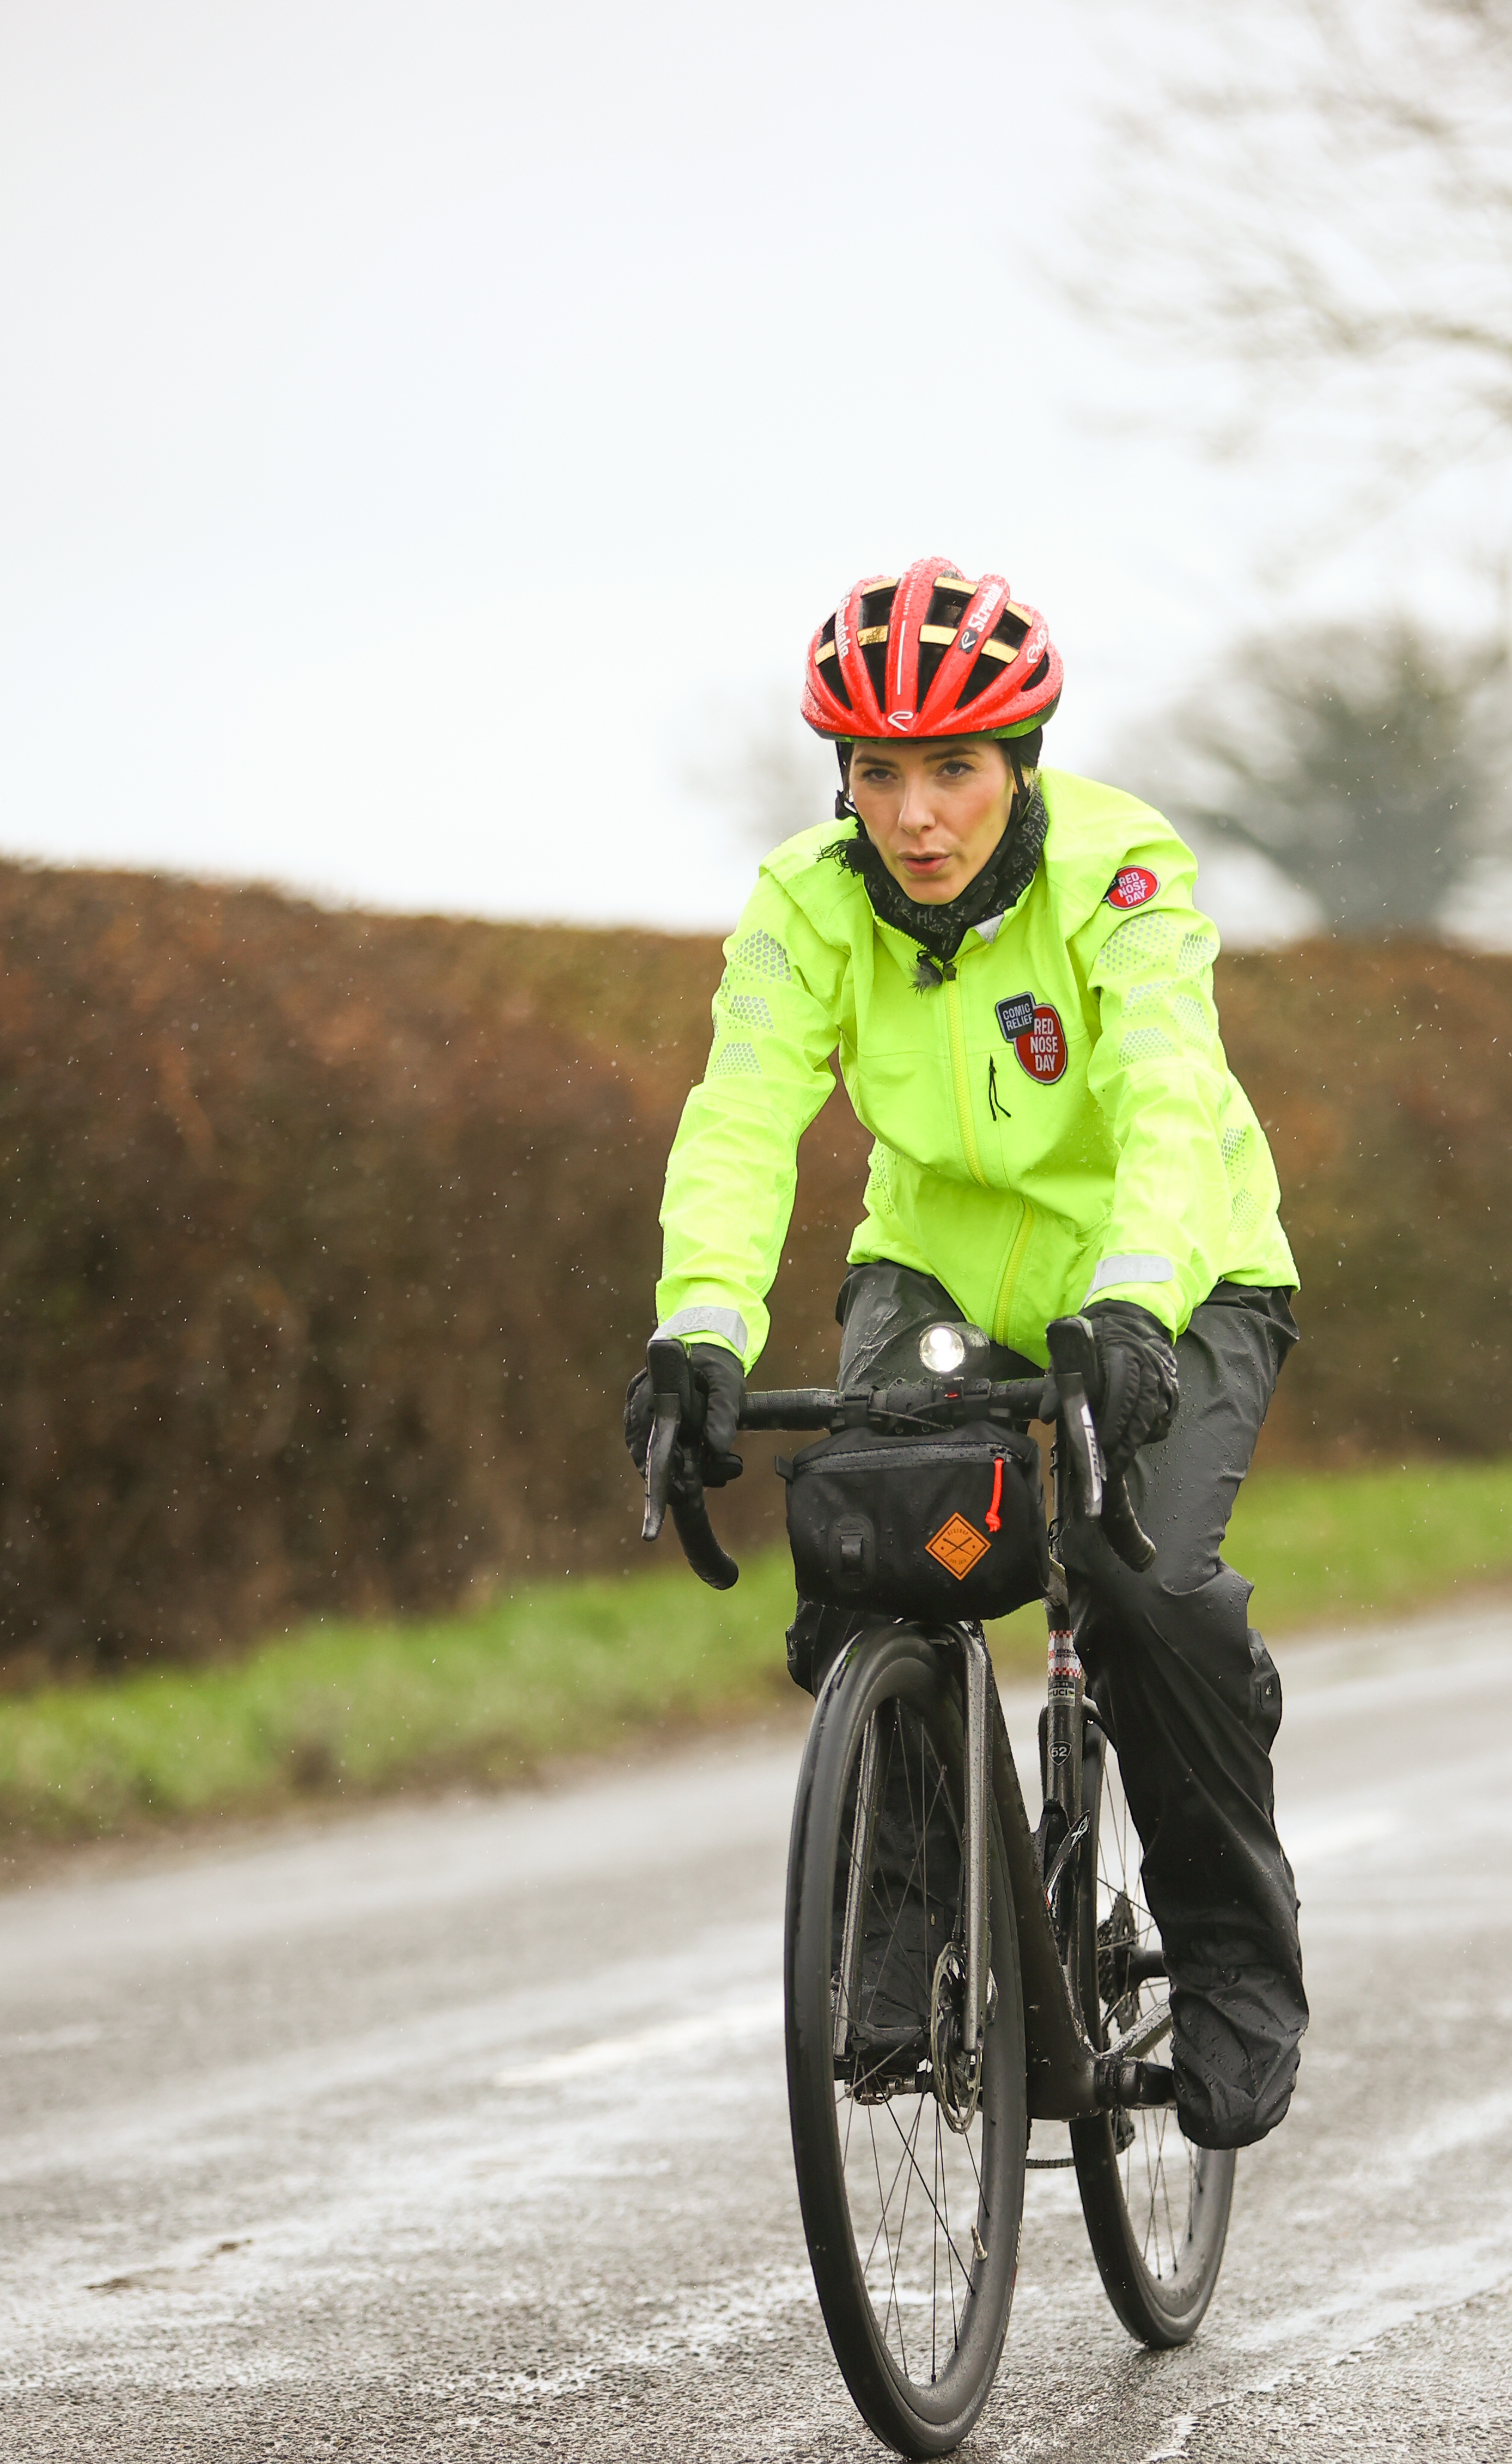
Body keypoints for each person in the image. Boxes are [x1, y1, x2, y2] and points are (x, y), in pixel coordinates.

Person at [625, 557, 1306, 2150]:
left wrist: (1138, 1299)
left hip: (1183, 1273)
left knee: (1139, 1589)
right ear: (841, 778)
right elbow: (741, 1121)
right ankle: (908, 1929)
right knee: (871, 1547)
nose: (916, 815)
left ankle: (1230, 1958)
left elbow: (1163, 1094)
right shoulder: (807, 904)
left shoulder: (1124, 877)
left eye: (954, 770)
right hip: (937, 1273)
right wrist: (700, 1329)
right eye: (878, 774)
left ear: (1023, 763)